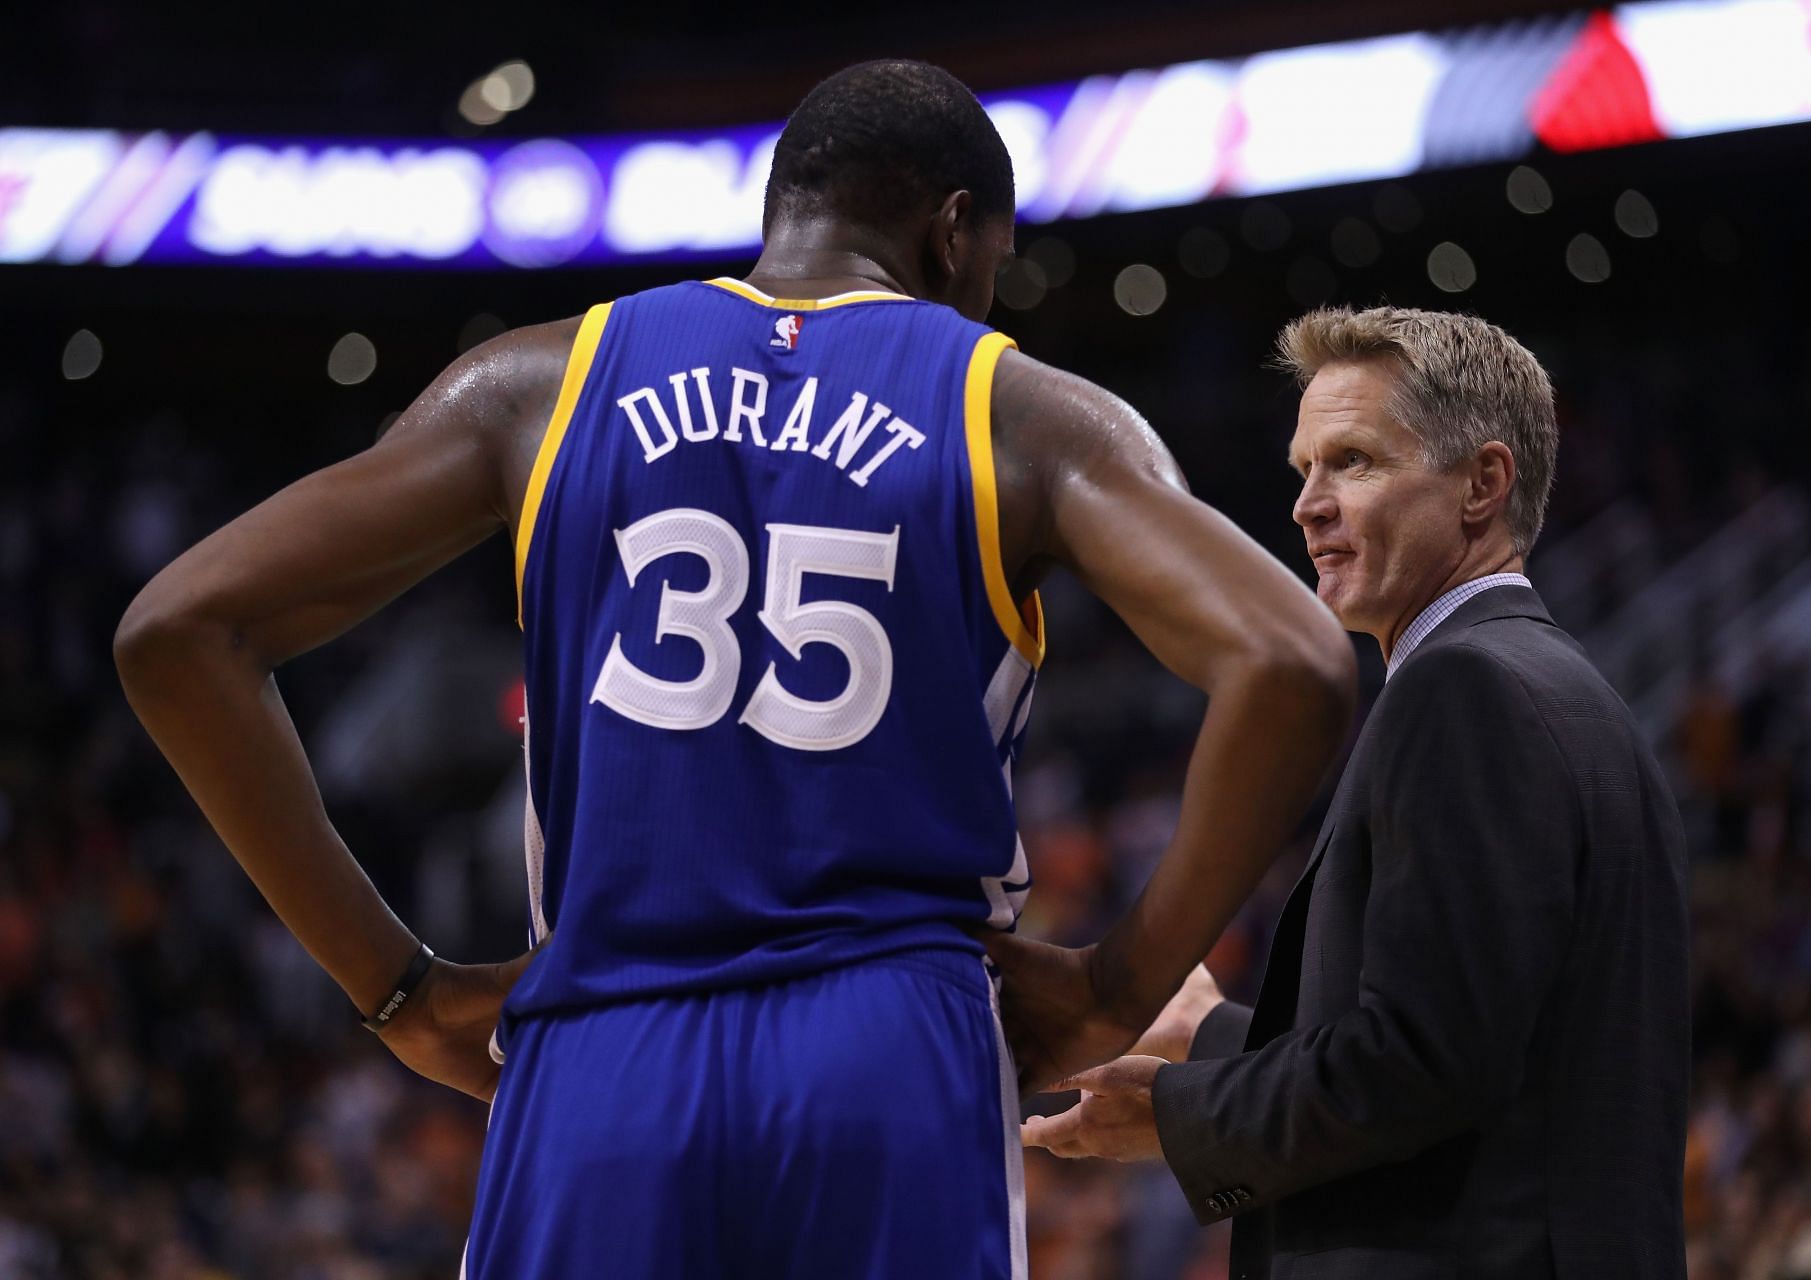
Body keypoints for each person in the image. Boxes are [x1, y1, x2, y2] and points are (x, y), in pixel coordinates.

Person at [113, 61, 1354, 1278]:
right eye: (993, 269)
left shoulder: (539, 385)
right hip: (891, 1045)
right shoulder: (1016, 411)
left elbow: (178, 633)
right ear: (955, 230)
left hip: (603, 1045)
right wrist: (1114, 986)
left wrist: (396, 988)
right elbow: (1291, 659)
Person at [1010, 306, 1690, 1279]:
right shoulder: (1566, 695)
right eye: (1303, 469)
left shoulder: (1468, 693)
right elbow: (1473, 1048)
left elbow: (1415, 1066)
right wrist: (1209, 1037)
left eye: (1354, 461)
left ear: (1482, 484)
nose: (1307, 504)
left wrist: (1173, 1114)